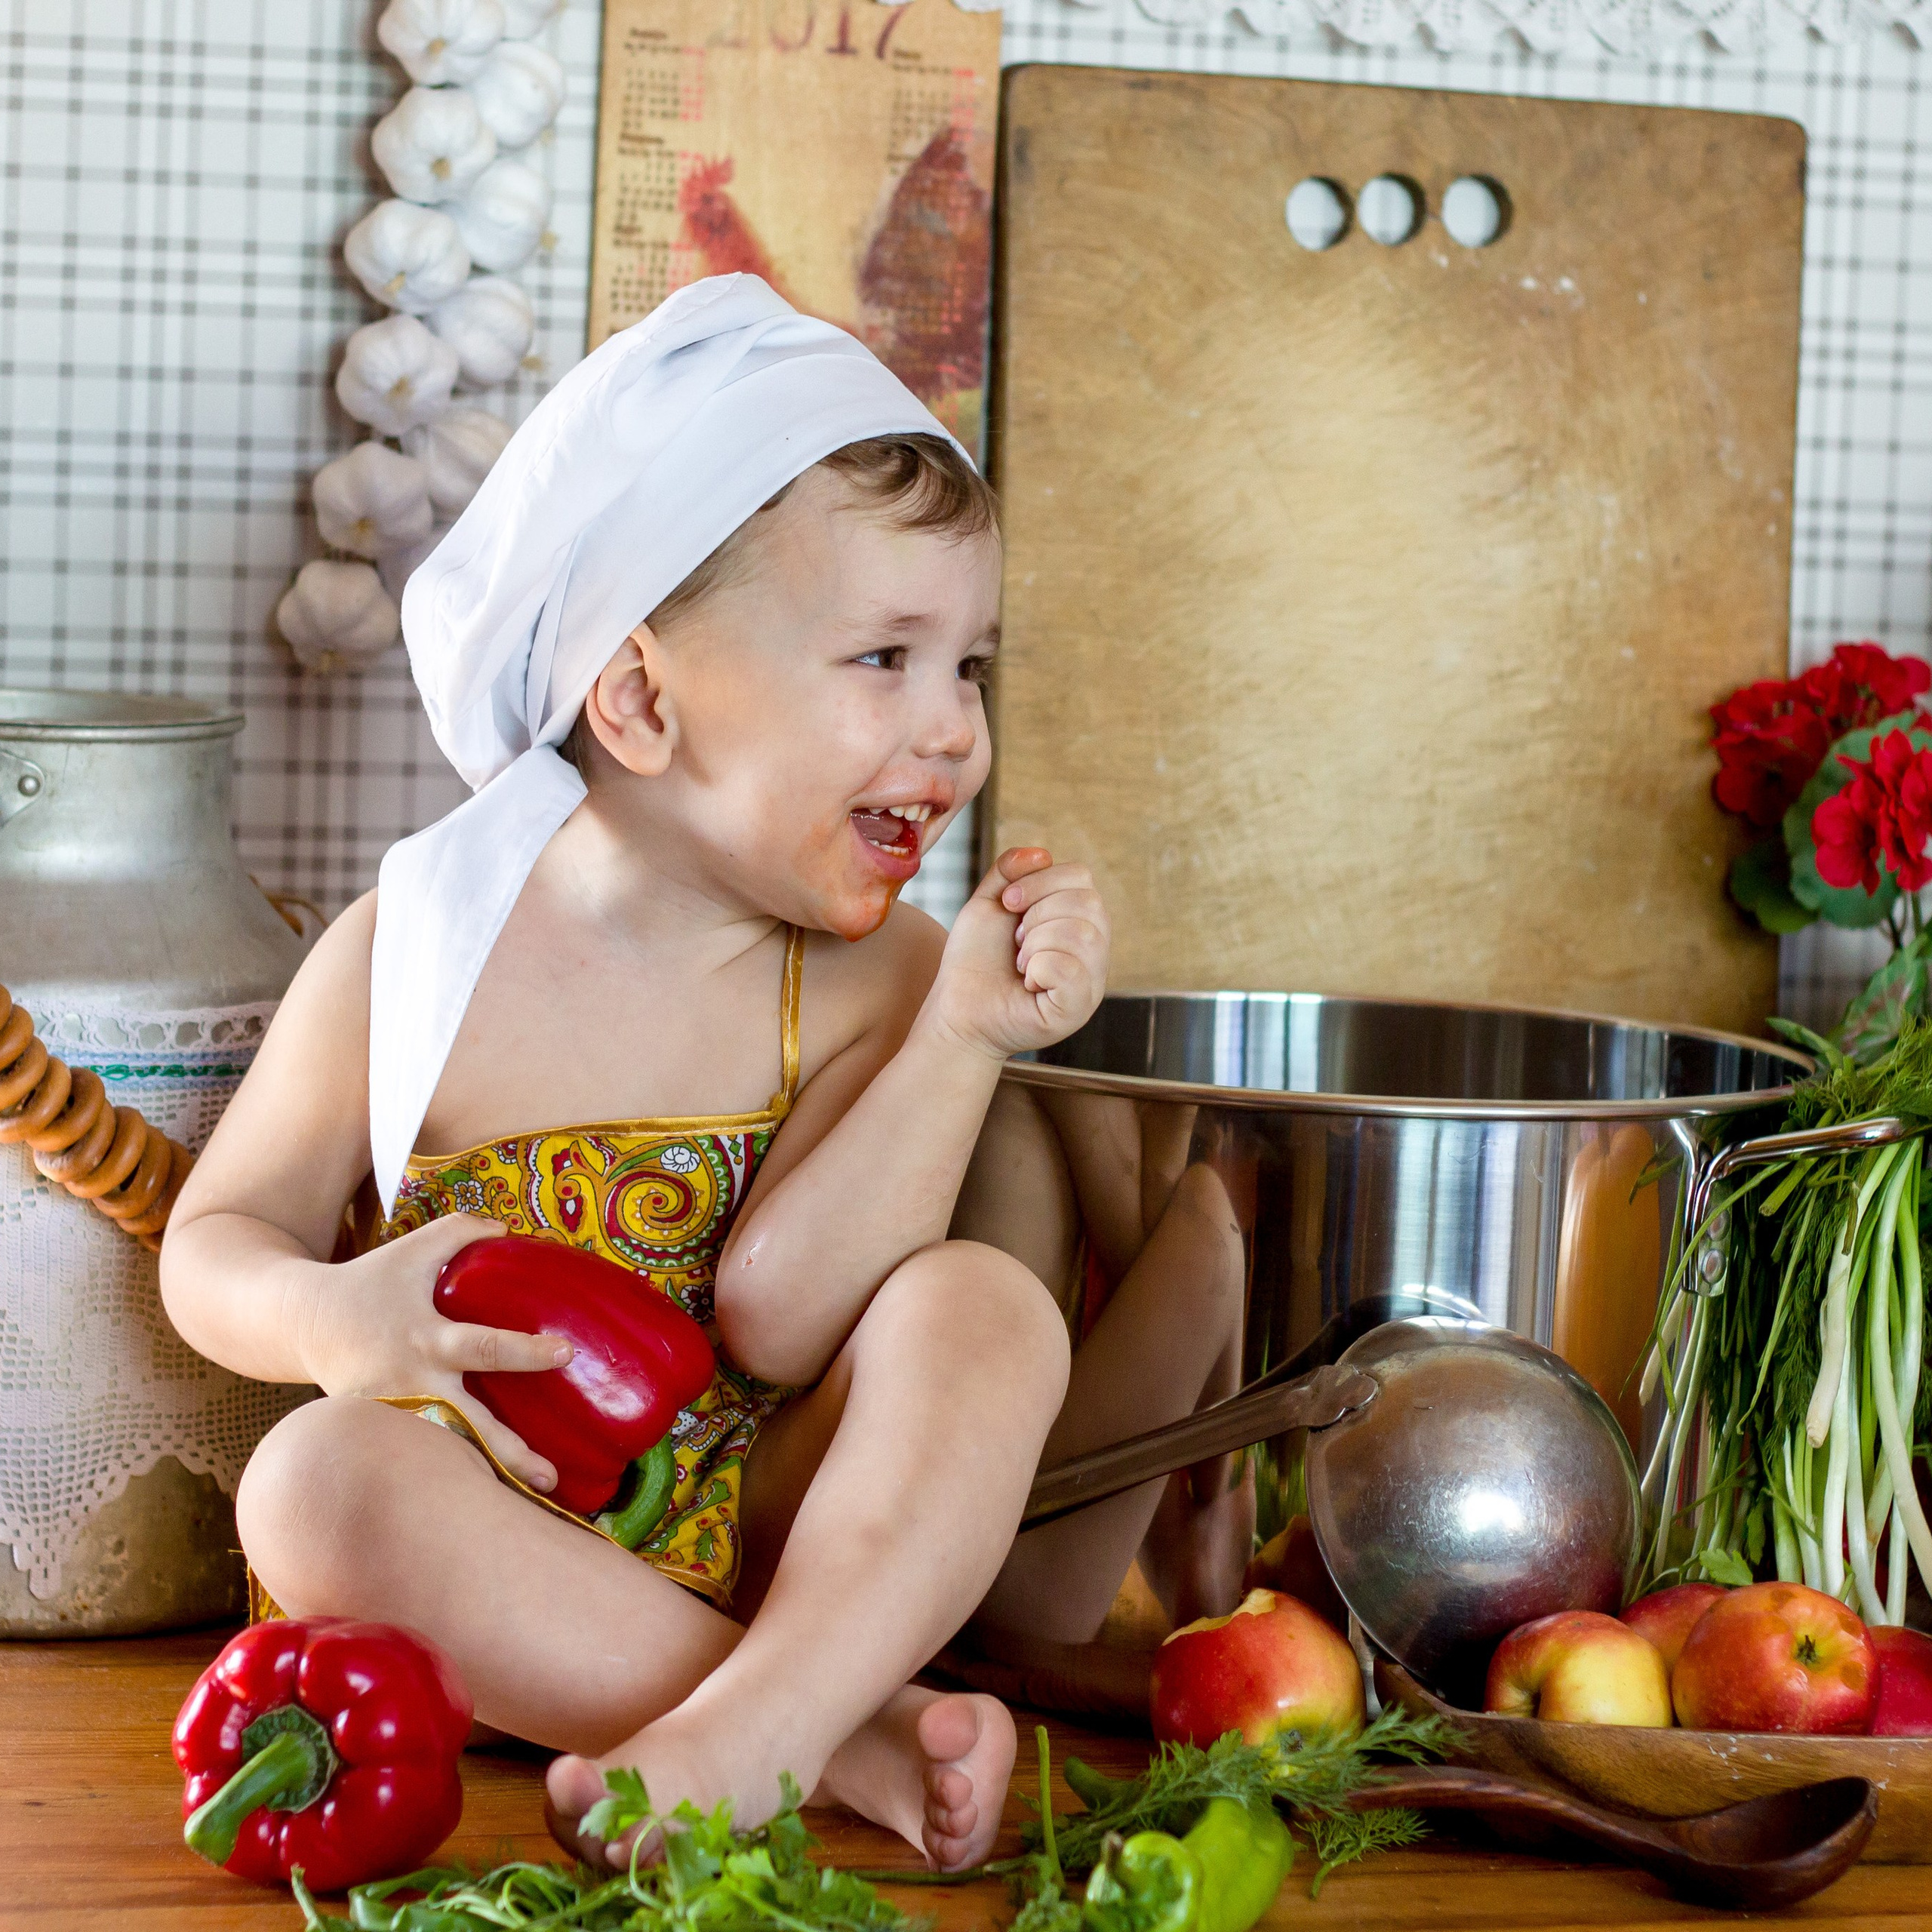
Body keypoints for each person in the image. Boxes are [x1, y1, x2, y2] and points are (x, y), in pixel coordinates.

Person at [158, 275, 1109, 1873]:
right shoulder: (411, 957)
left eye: (969, 667)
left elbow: (781, 1318)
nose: (954, 732)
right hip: (482, 1554)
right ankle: (822, 1735)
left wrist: (958, 1035)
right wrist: (332, 1316)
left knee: (984, 1306)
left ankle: (767, 1711)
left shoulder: (873, 974)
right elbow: (210, 1245)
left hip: (774, 1540)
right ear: (643, 696)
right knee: (313, 1474)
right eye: (885, 656)